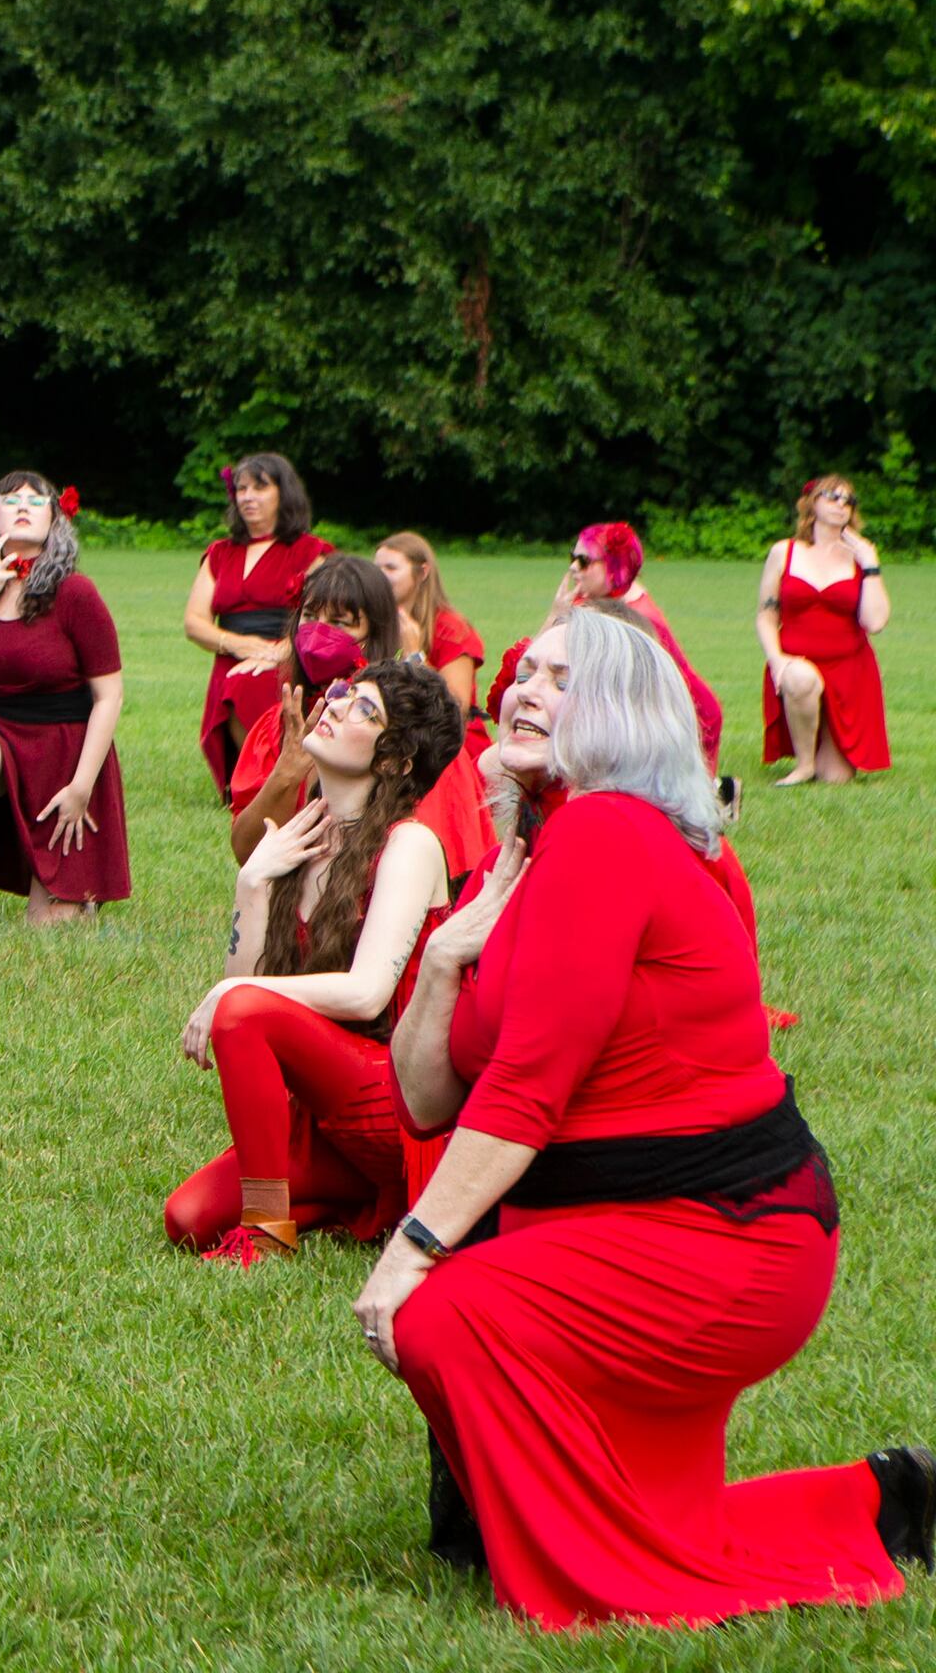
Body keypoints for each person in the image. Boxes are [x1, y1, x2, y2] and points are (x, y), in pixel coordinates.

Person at [361, 603, 926, 1629]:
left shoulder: (609, 832)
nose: (524, 687)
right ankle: (888, 1498)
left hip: (721, 1232)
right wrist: (443, 958)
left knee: (444, 1308)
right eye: (523, 670)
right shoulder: (534, 853)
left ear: (623, 709)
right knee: (671, 1518)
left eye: (559, 676)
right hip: (617, 1218)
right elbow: (425, 1094)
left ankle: (580, 1565)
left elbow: (526, 1085)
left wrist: (411, 1251)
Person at [163, 659, 461, 1263]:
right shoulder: (301, 836)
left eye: (365, 710)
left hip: (398, 1104)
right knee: (186, 1218)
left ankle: (269, 1229)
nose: (337, 704)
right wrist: (252, 883)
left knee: (243, 1005)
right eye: (347, 693)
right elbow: (242, 1013)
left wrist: (233, 996)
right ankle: (353, 1198)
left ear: (395, 761)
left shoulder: (410, 843)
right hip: (326, 1116)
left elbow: (366, 993)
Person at [0, 473, 128, 927]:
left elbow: (109, 696)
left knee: (51, 922)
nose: (22, 505)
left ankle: (71, 890)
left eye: (36, 501)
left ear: (54, 519)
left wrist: (82, 788)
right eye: (11, 499)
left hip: (64, 750)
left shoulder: (76, 593)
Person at [226, 554, 496, 882]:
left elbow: (448, 858)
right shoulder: (278, 726)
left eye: (340, 622)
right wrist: (286, 774)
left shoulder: (410, 736)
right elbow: (248, 856)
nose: (317, 633)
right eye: (309, 616)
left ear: (375, 633)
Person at [496, 526, 724, 770]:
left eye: (584, 561)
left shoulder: (635, 623)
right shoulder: (589, 605)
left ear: (615, 566)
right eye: (572, 558)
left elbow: (685, 703)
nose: (573, 568)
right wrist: (555, 616)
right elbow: (512, 683)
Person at [186, 453, 334, 790]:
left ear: (284, 493)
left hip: (289, 652)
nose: (248, 497)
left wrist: (280, 652)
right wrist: (238, 645)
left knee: (246, 682)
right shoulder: (220, 553)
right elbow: (194, 621)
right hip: (231, 652)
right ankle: (251, 775)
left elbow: (323, 619)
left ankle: (271, 777)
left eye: (259, 487)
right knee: (236, 678)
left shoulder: (310, 551)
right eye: (241, 489)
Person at [759, 475, 890, 785]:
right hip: (796, 665)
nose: (841, 504)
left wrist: (871, 565)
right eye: (832, 496)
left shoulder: (859, 558)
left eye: (848, 500)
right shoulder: (784, 552)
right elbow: (766, 616)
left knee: (835, 778)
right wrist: (777, 660)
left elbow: (875, 622)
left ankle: (823, 750)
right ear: (812, 503)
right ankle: (804, 764)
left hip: (848, 672)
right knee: (800, 678)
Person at [377, 533, 485, 713]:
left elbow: (456, 707)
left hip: (449, 736)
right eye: (377, 568)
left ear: (423, 572)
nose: (380, 576)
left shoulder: (451, 628)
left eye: (391, 568)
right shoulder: (377, 620)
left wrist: (415, 657)